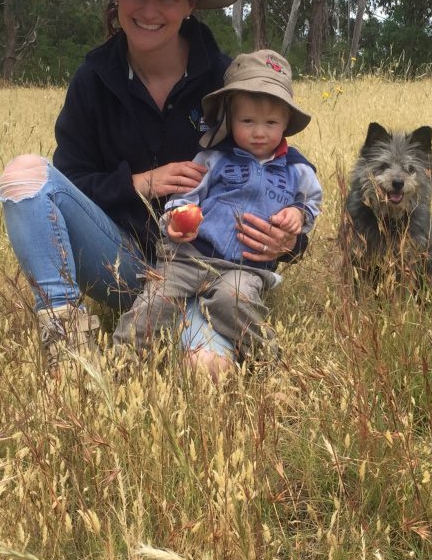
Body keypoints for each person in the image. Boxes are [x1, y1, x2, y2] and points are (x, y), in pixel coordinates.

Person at [0, 0, 307, 377]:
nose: (148, 9)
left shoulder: (225, 79)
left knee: (207, 372)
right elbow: (72, 178)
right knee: (23, 175)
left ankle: (208, 330)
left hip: (204, 271)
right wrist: (138, 183)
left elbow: (275, 164)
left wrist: (290, 239)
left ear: (190, 4)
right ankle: (65, 344)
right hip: (118, 262)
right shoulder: (92, 79)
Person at [112, 50, 321, 365]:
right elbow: (186, 196)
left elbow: (310, 202)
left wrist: (298, 215)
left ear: (286, 122)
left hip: (245, 267)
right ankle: (123, 361)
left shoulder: (297, 168)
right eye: (247, 121)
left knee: (232, 301)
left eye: (271, 122)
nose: (259, 132)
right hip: (189, 258)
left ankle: (267, 358)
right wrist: (177, 217)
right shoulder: (213, 157)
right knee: (156, 300)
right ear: (229, 119)